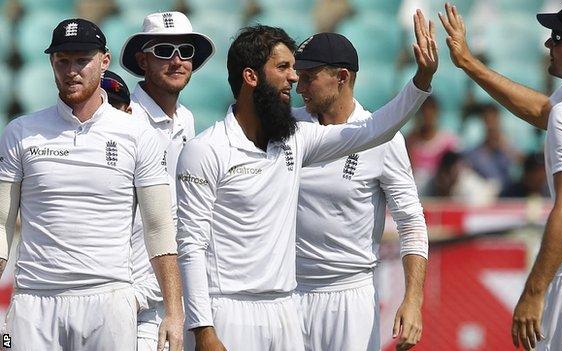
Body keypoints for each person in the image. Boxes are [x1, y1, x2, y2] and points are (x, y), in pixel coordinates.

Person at [176, 11, 437, 351]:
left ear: (342, 77)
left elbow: (375, 132)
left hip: (342, 296)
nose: (296, 79)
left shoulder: (297, 137)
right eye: (285, 69)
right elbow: (191, 244)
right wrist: (202, 327)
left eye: (303, 72)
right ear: (252, 76)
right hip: (265, 299)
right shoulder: (267, 135)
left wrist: (421, 82)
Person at [439, 2, 562, 350]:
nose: (547, 45)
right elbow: (543, 110)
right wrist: (468, 63)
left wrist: (533, 291)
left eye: (557, 38)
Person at [0, 19, 184, 350]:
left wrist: (174, 313)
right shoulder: (20, 131)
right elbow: (1, 225)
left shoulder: (137, 134)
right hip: (34, 301)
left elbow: (159, 229)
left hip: (108, 299)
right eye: (62, 61)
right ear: (52, 64)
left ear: (104, 61)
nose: (72, 71)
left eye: (82, 60)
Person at [292, 32, 428, 351]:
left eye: (309, 77)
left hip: (350, 299)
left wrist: (413, 300)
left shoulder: (385, 138)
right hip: (287, 292)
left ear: (342, 77)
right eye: (298, 77)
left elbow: (411, 222)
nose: (299, 87)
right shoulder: (286, 129)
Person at [119, 11, 214, 351]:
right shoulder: (121, 120)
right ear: (142, 60)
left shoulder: (187, 119)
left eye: (185, 51)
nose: (177, 61)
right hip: (129, 298)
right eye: (163, 50)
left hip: (171, 298)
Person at [404, 94, 458, 188]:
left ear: (437, 113)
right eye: (424, 111)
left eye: (431, 110)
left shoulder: (448, 141)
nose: (427, 115)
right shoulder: (410, 141)